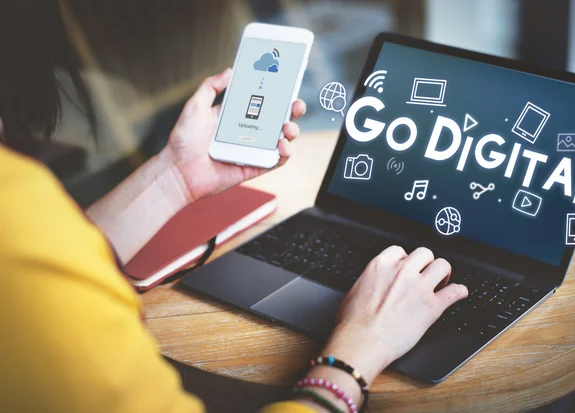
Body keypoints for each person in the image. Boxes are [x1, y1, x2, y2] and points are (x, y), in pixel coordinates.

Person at [0, 2, 468, 412]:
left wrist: (175, 176)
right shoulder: (17, 217)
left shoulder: (21, 208)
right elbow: (32, 266)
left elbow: (53, 253)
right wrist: (360, 348)